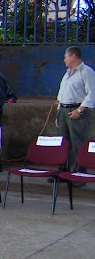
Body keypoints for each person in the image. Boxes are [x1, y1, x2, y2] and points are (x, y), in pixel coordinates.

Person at [55, 46, 95, 174]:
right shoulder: (67, 73)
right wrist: (58, 113)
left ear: (73, 57)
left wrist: (80, 110)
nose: (64, 60)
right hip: (64, 109)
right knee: (62, 142)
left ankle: (80, 172)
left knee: (78, 142)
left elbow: (91, 94)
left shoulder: (86, 72)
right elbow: (61, 95)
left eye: (65, 57)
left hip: (77, 109)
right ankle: (63, 170)